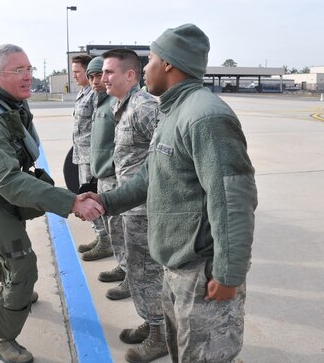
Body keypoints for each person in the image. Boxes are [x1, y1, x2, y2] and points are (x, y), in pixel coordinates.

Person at [89, 24, 258, 362]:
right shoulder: (173, 111)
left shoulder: (205, 116)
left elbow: (232, 198)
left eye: (150, 58)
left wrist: (228, 274)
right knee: (183, 351)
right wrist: (104, 202)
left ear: (168, 63)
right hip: (176, 264)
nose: (146, 67)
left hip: (202, 269)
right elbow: (148, 177)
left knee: (207, 356)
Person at [0, 44, 103, 363]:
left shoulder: (8, 104)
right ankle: (1, 339)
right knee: (22, 262)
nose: (28, 76)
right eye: (18, 71)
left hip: (3, 193)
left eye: (29, 69)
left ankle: (10, 290)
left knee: (11, 251)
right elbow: (7, 179)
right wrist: (70, 201)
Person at [101, 49, 168, 361]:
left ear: (131, 75)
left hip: (145, 209)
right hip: (132, 206)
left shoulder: (143, 108)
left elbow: (169, 154)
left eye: (110, 72)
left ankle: (160, 336)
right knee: (140, 273)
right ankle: (152, 323)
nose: (103, 78)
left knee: (147, 273)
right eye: (103, 73)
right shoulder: (123, 106)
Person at [86, 56, 128, 286]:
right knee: (114, 228)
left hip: (116, 178)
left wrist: (112, 168)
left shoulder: (117, 104)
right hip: (103, 175)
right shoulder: (100, 103)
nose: (96, 81)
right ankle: (123, 266)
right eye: (91, 76)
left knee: (123, 230)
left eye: (100, 75)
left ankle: (130, 272)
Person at [71, 55, 114, 261]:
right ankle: (100, 236)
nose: (75, 75)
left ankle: (105, 239)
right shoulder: (84, 93)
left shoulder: (98, 95)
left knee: (91, 198)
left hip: (93, 156)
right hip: (83, 154)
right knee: (85, 195)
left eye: (77, 71)